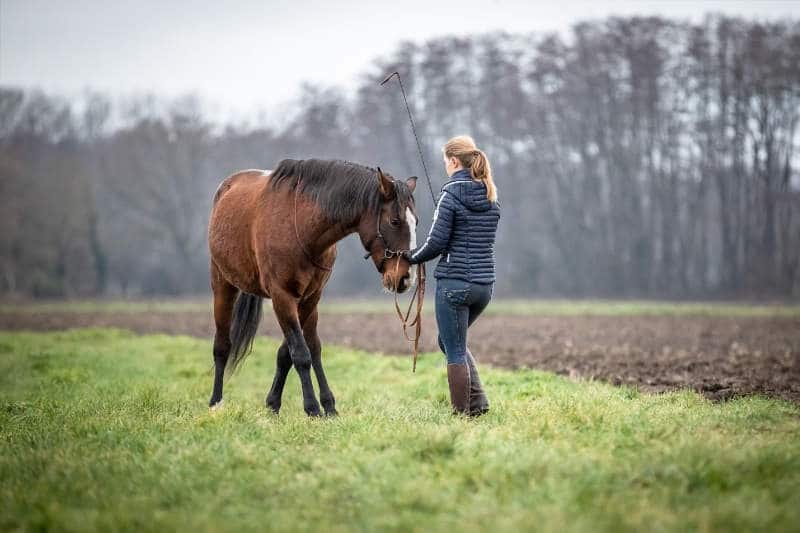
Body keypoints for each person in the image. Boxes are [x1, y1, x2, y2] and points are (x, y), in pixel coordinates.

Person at [404, 135, 500, 416]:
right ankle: (478, 402)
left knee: (455, 351)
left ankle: (461, 417)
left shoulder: (450, 195)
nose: (445, 166)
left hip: (454, 287)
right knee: (449, 342)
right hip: (484, 287)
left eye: (446, 161)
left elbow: (436, 243)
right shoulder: (491, 195)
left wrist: (411, 257)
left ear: (454, 161)